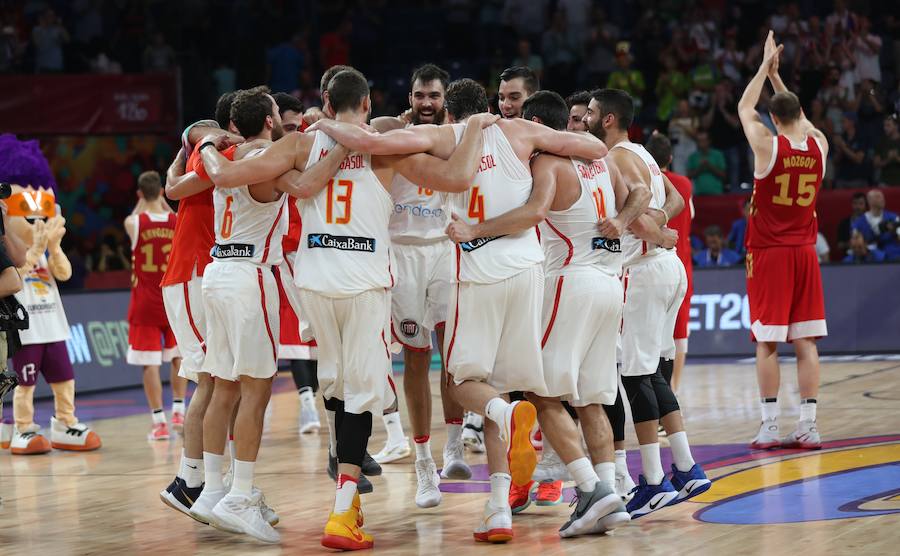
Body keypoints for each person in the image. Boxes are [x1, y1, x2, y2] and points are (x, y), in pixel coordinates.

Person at [199, 69, 499, 550]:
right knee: (362, 394)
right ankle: (342, 513)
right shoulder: (383, 149)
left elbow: (230, 175)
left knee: (336, 388)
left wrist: (205, 144)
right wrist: (477, 128)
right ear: (366, 105)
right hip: (363, 282)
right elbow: (459, 176)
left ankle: (319, 494)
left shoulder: (300, 146)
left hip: (315, 281)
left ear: (324, 101)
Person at [316, 77, 610, 543]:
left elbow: (374, 141)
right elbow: (592, 146)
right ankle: (547, 498)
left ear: (449, 111)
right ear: (490, 107)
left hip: (476, 272)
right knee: (530, 392)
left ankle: (504, 425)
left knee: (470, 384)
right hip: (529, 268)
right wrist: (549, 153)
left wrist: (326, 124)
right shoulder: (522, 133)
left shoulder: (443, 137)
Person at [448, 90, 649, 535]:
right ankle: (608, 494)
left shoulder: (548, 163)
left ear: (538, 126)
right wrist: (622, 220)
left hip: (570, 281)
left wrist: (476, 229)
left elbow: (535, 211)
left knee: (539, 394)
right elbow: (640, 192)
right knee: (591, 401)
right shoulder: (605, 162)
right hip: (610, 284)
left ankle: (590, 490)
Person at [586, 89, 710, 518]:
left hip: (644, 271)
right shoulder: (642, 151)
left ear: (608, 119)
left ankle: (655, 482)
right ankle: (687, 466)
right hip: (667, 267)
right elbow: (672, 200)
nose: (585, 117)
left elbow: (638, 207)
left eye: (591, 113)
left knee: (636, 375)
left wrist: (643, 228)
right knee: (654, 373)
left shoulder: (617, 157)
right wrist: (661, 228)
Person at [367, 64, 472, 508]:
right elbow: (371, 128)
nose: (426, 103)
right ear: (408, 99)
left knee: (454, 355)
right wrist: (399, 124)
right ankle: (423, 463)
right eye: (419, 96)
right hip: (403, 254)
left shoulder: (457, 136)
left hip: (445, 251)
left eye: (433, 96)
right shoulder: (393, 133)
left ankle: (454, 445)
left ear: (444, 98)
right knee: (414, 359)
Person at [738, 31, 829, 451]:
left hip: (770, 254)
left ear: (773, 119)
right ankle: (808, 425)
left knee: (767, 341)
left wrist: (764, 67)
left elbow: (744, 107)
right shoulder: (819, 145)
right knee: (806, 341)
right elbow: (798, 116)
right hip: (805, 252)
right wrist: (778, 80)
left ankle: (771, 425)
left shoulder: (765, 146)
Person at [124, 171, 186, 441]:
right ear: (162, 192)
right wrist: (162, 201)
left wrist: (145, 201)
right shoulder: (176, 220)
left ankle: (159, 421)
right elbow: (168, 211)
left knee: (149, 363)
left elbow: (135, 214)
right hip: (172, 300)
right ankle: (179, 411)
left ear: (139, 194)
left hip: (145, 303)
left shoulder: (134, 222)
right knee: (178, 356)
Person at [647, 133, 694, 392]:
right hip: (681, 266)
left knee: (648, 334)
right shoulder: (685, 184)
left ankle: (654, 395)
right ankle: (672, 393)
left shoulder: (643, 181)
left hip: (650, 263)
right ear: (671, 158)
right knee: (678, 334)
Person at [687, 130, 727, 195]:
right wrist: (700, 167)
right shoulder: (693, 157)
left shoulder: (718, 154)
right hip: (699, 194)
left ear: (709, 141)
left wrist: (709, 166)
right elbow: (689, 176)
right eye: (699, 140)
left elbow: (724, 176)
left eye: (704, 140)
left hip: (717, 194)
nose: (701, 143)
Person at [874, 114, 900, 186]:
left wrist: (896, 158)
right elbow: (876, 164)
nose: (885, 128)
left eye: (888, 125)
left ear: (896, 126)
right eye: (884, 125)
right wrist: (888, 159)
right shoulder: (881, 142)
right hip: (885, 182)